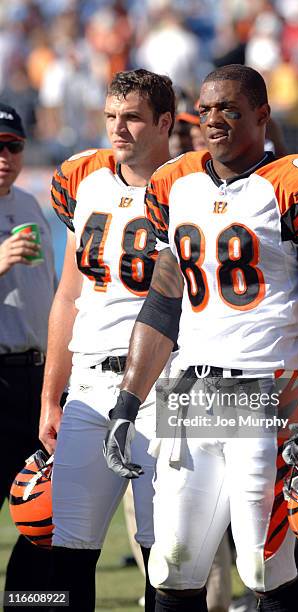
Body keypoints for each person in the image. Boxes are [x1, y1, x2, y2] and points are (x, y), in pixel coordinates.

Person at [103, 64, 298, 612]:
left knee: (264, 565)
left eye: (230, 109)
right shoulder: (175, 182)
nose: (215, 119)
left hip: (270, 390)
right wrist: (128, 400)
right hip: (190, 394)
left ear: (263, 115)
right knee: (172, 563)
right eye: (208, 109)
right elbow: (164, 303)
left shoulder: (296, 183)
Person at [39, 69, 175, 612]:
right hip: (90, 384)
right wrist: (52, 395)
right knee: (67, 549)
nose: (118, 130)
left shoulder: (187, 186)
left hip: (162, 385)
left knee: (162, 552)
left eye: (133, 118)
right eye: (111, 116)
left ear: (165, 122)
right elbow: (68, 296)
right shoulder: (87, 182)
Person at [0, 103, 56, 607]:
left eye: (13, 145)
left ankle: (28, 605)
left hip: (34, 380)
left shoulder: (30, 204)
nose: (4, 155)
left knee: (43, 511)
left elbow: (51, 292)